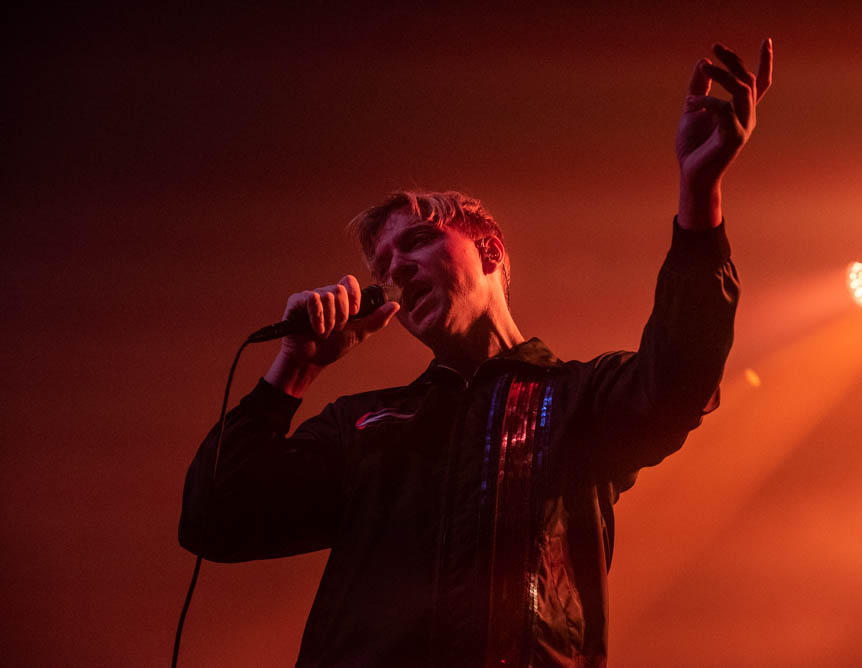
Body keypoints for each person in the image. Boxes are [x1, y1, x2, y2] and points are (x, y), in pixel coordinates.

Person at [180, 39, 773, 667]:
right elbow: (216, 516)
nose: (395, 269)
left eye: (416, 241)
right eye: (382, 264)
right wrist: (295, 367)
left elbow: (681, 377)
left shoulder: (579, 399)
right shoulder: (363, 426)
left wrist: (699, 191)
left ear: (489, 251)